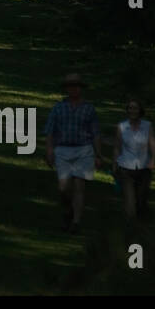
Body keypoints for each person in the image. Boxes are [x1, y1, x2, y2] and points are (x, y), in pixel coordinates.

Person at [44, 72, 104, 233]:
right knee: (63, 187)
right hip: (63, 149)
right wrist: (49, 150)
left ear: (80, 88)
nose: (73, 89)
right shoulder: (58, 108)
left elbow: (95, 133)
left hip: (84, 149)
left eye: (76, 86)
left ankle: (76, 222)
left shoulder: (89, 108)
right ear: (66, 89)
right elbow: (50, 131)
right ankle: (68, 210)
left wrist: (98, 154)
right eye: (70, 86)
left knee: (79, 186)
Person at [113, 98, 155, 220]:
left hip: (144, 167)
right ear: (127, 110)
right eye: (130, 108)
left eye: (135, 108)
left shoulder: (147, 126)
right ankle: (130, 224)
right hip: (125, 168)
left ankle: (142, 223)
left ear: (140, 110)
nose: (133, 111)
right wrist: (114, 164)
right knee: (130, 202)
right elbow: (117, 147)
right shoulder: (121, 126)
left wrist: (153, 159)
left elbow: (152, 143)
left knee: (141, 200)